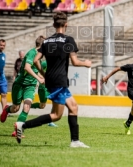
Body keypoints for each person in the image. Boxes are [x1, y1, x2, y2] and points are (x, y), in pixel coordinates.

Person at [14, 12, 91, 148]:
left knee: (73, 107)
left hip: (51, 80)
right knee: (56, 115)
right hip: (59, 80)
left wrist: (44, 73)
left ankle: (75, 141)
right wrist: (86, 63)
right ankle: (23, 125)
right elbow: (75, 62)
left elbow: (36, 60)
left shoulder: (47, 41)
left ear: (54, 24)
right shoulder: (68, 40)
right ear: (66, 24)